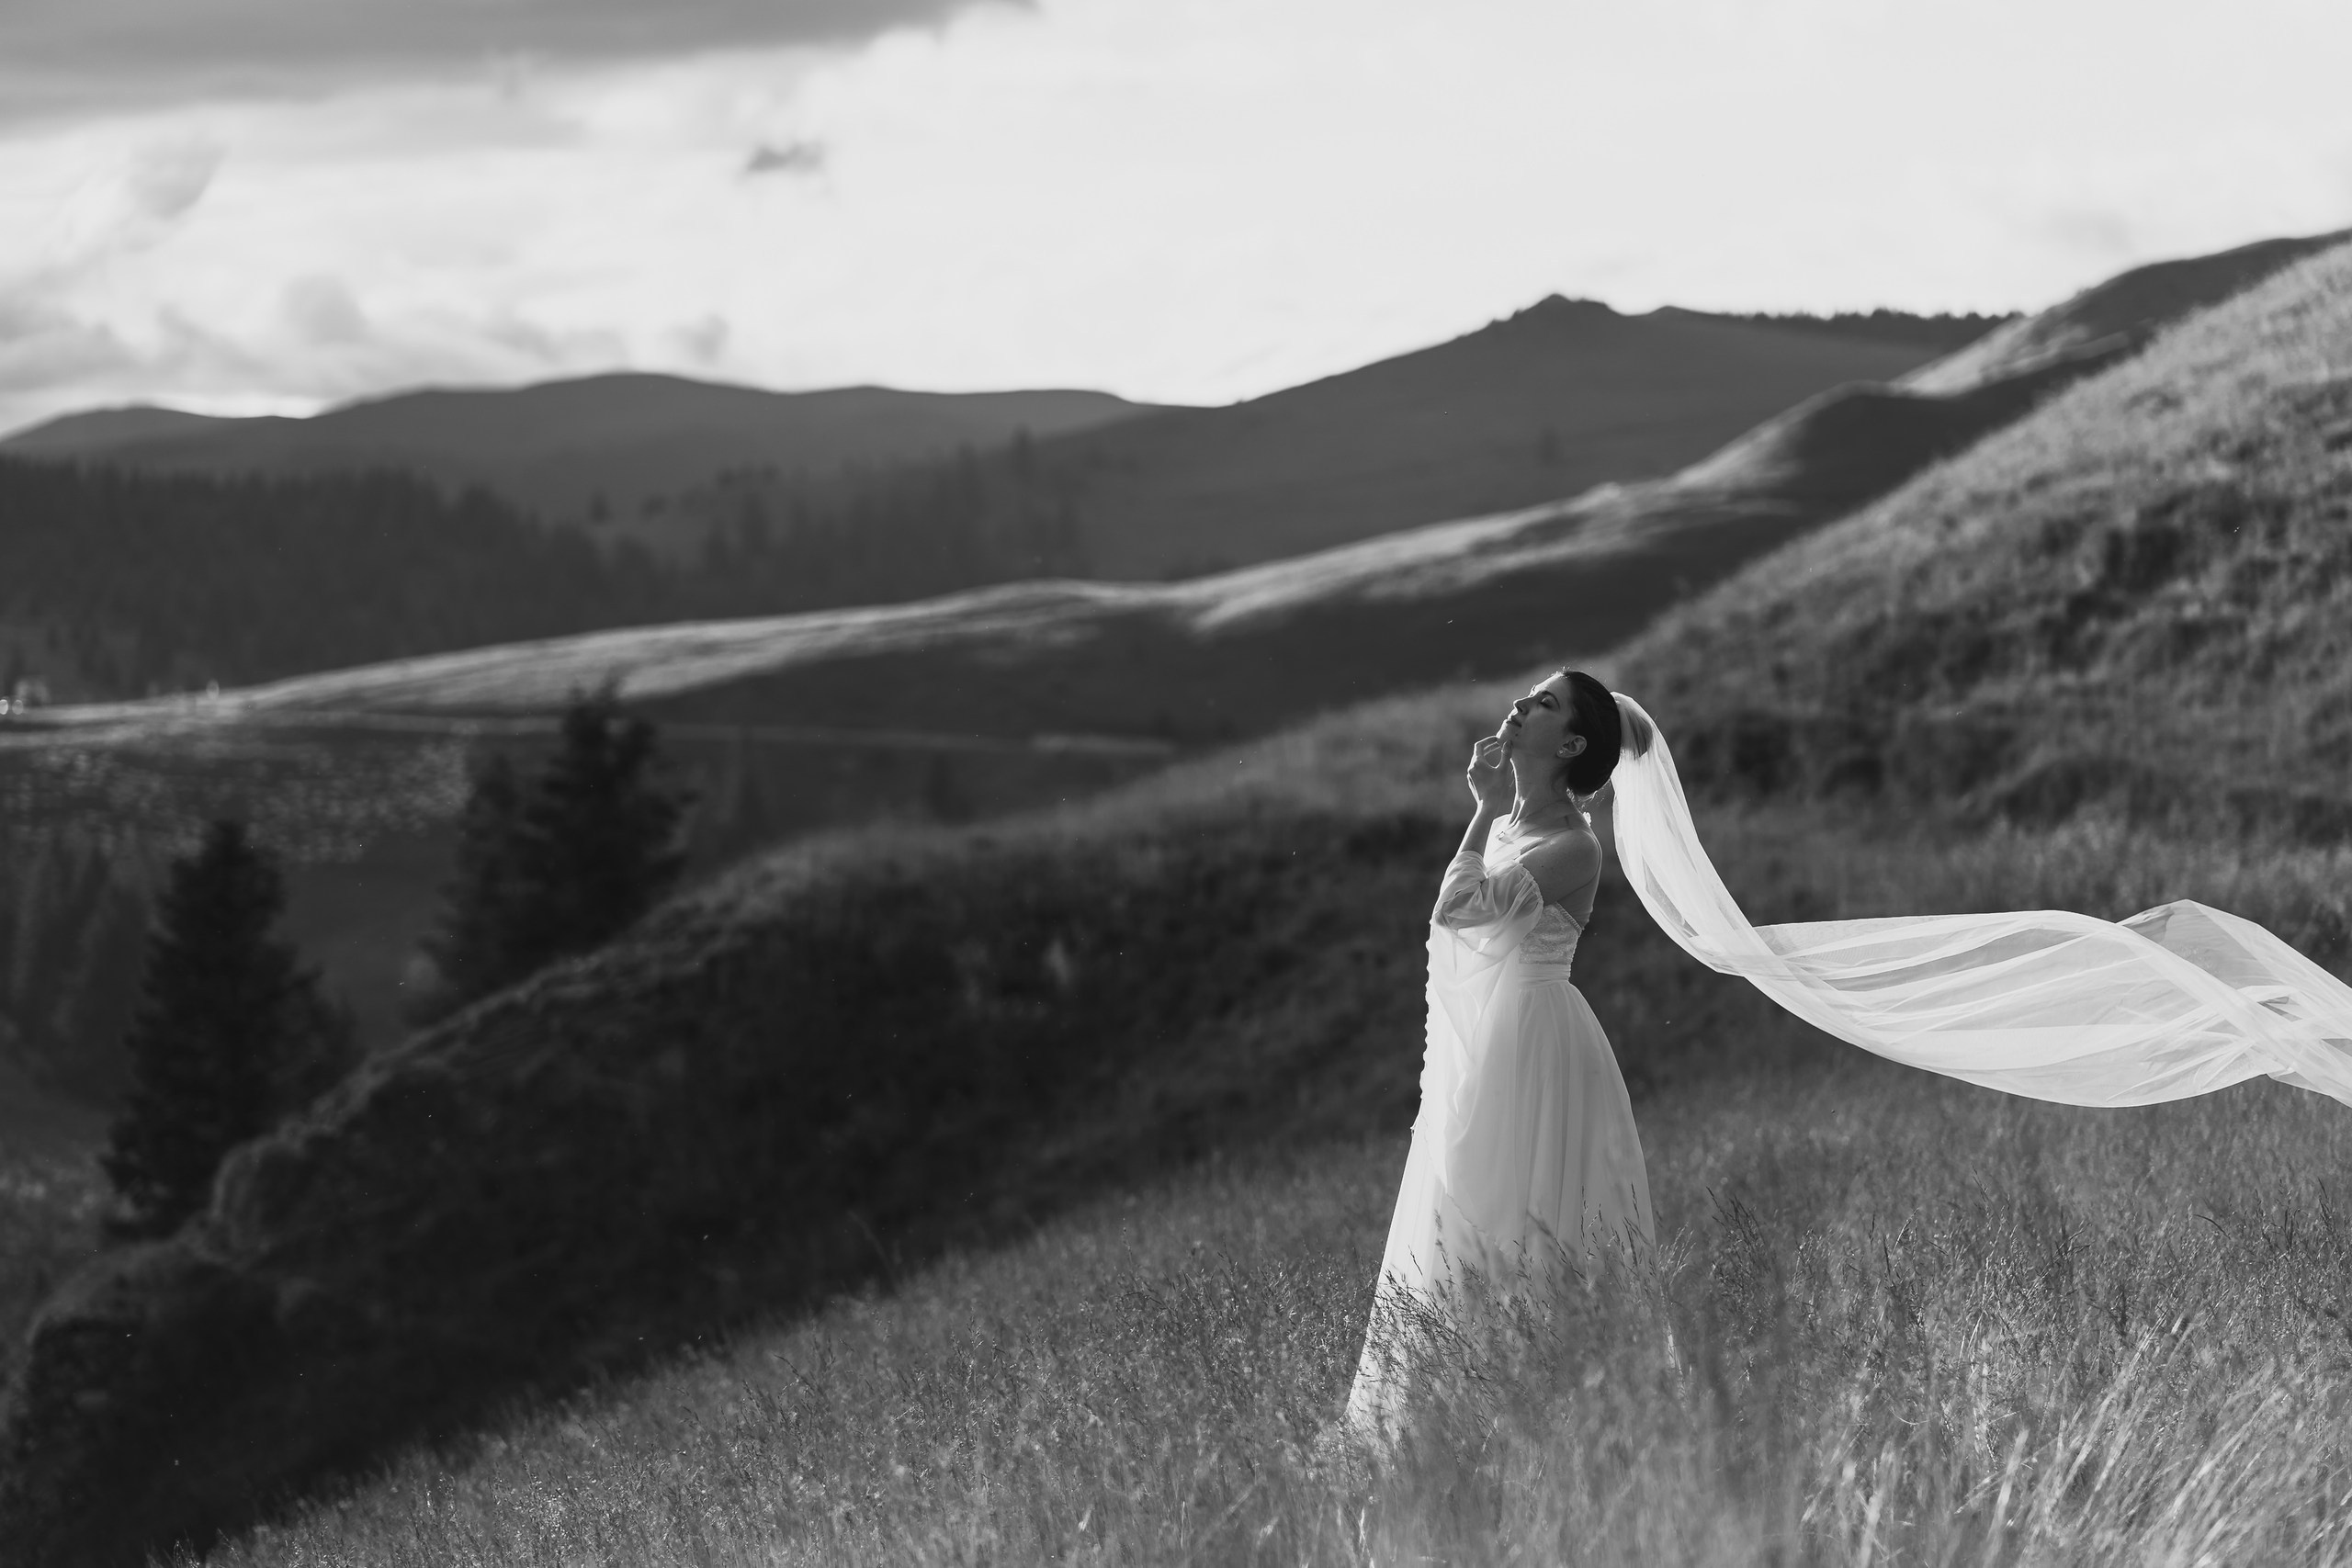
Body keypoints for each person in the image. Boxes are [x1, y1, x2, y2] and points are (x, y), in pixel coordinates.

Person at [1343, 667, 1652, 1439]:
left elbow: (1458, 911)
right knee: (1460, 1221)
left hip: (1539, 1048)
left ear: (1571, 743)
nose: (1519, 706)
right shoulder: (1518, 827)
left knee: (1529, 1226)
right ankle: (1449, 1431)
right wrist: (1490, 812)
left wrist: (1479, 808)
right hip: (1491, 1044)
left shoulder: (1574, 846)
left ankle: (1540, 1430)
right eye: (1528, 694)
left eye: (1543, 704)